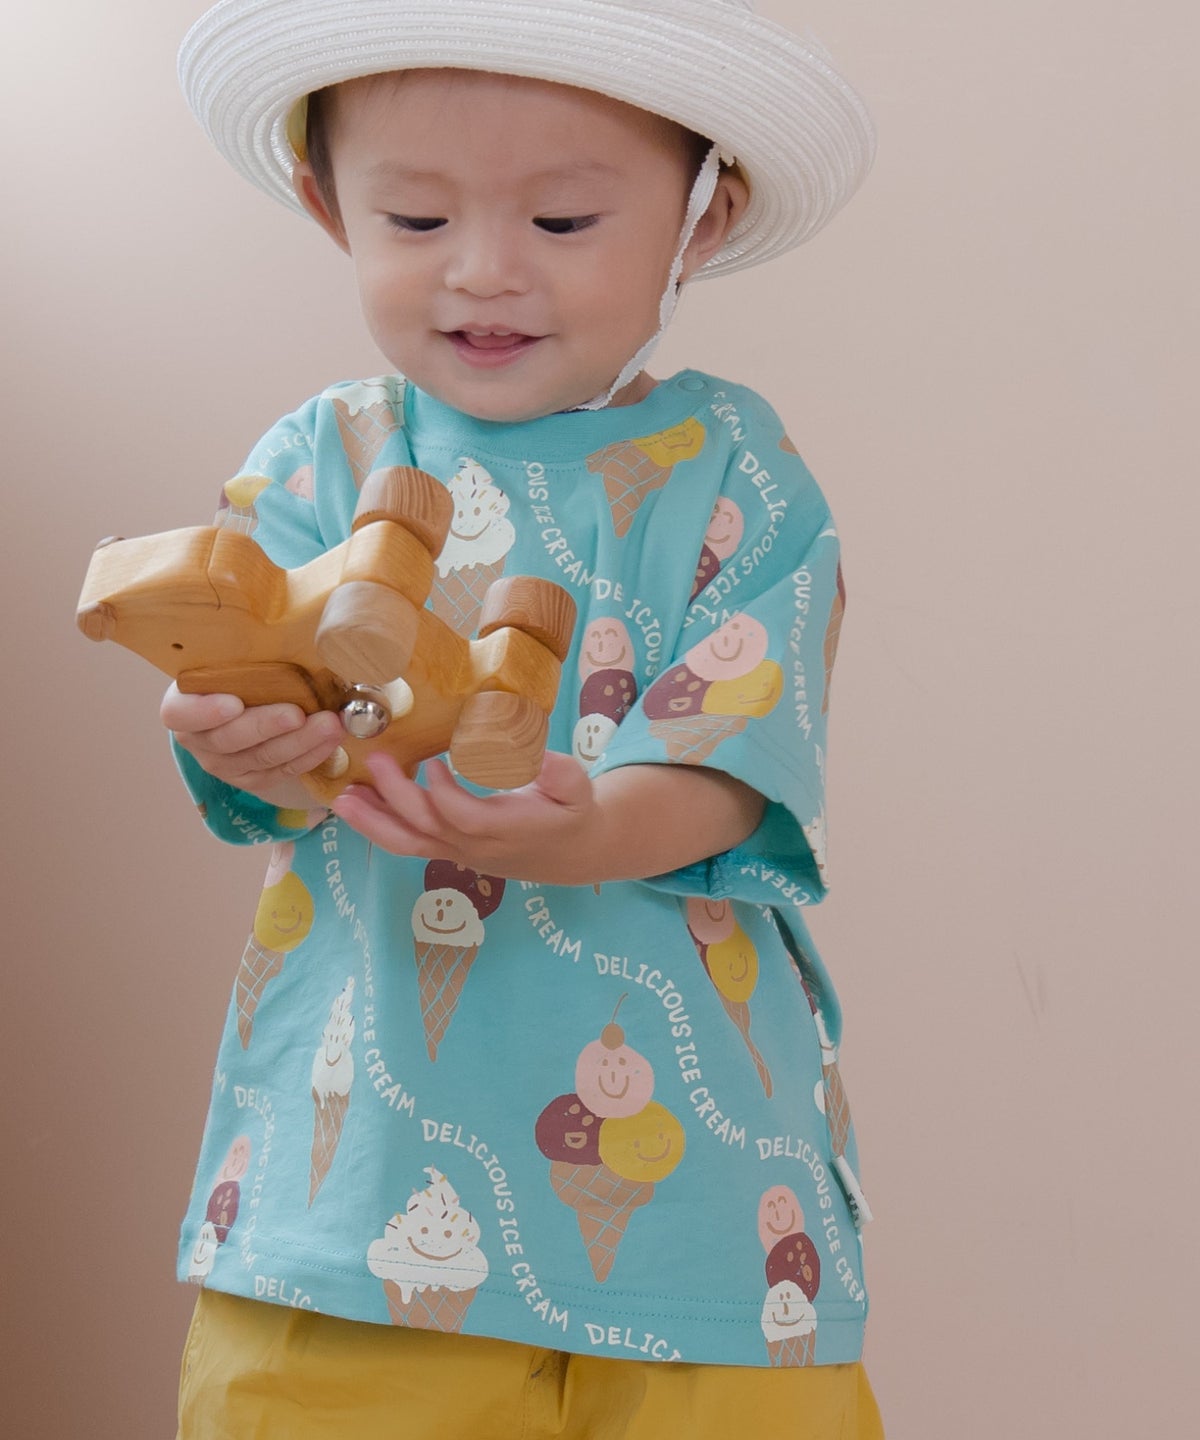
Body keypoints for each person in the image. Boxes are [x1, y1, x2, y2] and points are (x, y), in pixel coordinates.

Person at [166, 2, 882, 1435]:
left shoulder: (736, 473)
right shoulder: (321, 464)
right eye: (417, 218)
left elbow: (734, 762)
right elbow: (265, 720)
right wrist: (238, 733)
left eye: (562, 221)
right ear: (329, 206)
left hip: (700, 1214)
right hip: (355, 1196)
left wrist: (590, 828)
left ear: (700, 219)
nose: (484, 269)